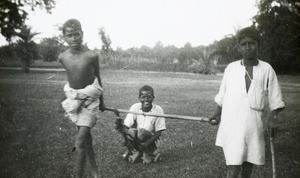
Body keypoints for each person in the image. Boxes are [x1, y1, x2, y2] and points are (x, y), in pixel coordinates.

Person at [209, 26, 285, 178]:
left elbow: (275, 99)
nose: (248, 47)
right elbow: (223, 94)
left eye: (252, 43)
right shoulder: (231, 68)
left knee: (248, 162)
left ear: (258, 45)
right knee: (233, 165)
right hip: (232, 122)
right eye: (244, 44)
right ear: (239, 48)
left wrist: (273, 119)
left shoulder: (267, 69)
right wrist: (217, 114)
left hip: (253, 123)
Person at [58, 19, 105, 178]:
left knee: (79, 142)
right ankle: (95, 172)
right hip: (75, 103)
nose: (73, 38)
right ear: (64, 37)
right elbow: (71, 80)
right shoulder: (62, 57)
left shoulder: (91, 55)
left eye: (76, 34)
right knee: (86, 141)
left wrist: (102, 102)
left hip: (91, 101)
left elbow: (98, 78)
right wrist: (74, 97)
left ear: (82, 34)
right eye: (69, 35)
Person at [115, 85, 166, 164]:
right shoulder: (135, 107)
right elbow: (126, 127)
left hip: (150, 141)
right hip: (136, 140)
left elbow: (158, 133)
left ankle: (146, 152)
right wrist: (120, 126)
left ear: (153, 97)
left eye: (149, 97)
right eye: (143, 97)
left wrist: (146, 144)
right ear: (139, 98)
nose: (146, 100)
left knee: (141, 132)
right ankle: (135, 150)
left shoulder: (158, 110)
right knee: (130, 131)